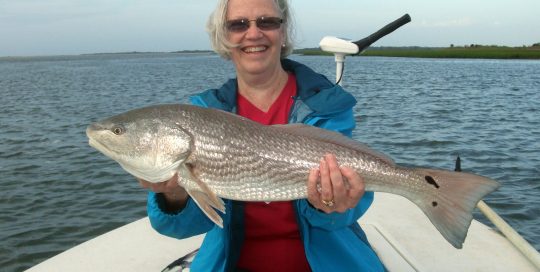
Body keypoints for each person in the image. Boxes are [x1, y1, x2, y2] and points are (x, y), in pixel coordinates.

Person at [139, 0, 384, 271]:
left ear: (283, 31)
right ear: (224, 36)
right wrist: (174, 196)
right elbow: (179, 228)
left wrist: (330, 204)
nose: (253, 33)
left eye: (267, 22)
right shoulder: (201, 114)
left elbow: (349, 210)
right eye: (238, 24)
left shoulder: (327, 104)